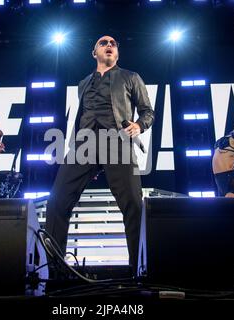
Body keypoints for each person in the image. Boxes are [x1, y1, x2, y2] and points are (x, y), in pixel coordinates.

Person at [45, 35, 154, 275]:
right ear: (94, 52)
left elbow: (148, 112)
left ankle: (139, 271)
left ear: (117, 54)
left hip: (117, 141)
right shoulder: (83, 82)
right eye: (103, 43)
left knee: (133, 205)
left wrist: (139, 125)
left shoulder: (130, 77)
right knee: (56, 202)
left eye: (113, 44)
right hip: (84, 145)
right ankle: (54, 271)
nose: (109, 45)